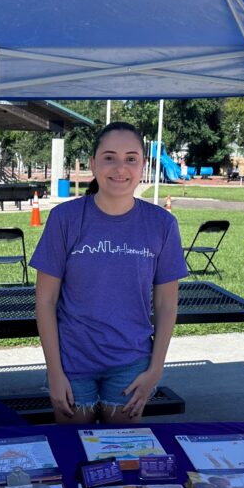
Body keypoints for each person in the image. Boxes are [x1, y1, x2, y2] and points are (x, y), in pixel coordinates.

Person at [31, 122, 188, 424]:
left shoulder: (162, 225)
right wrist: (54, 372)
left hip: (131, 362)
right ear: (93, 163)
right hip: (72, 361)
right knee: (75, 455)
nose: (120, 168)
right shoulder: (64, 219)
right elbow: (45, 301)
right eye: (109, 157)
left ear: (143, 165)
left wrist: (155, 370)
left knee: (122, 457)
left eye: (131, 158)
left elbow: (167, 305)